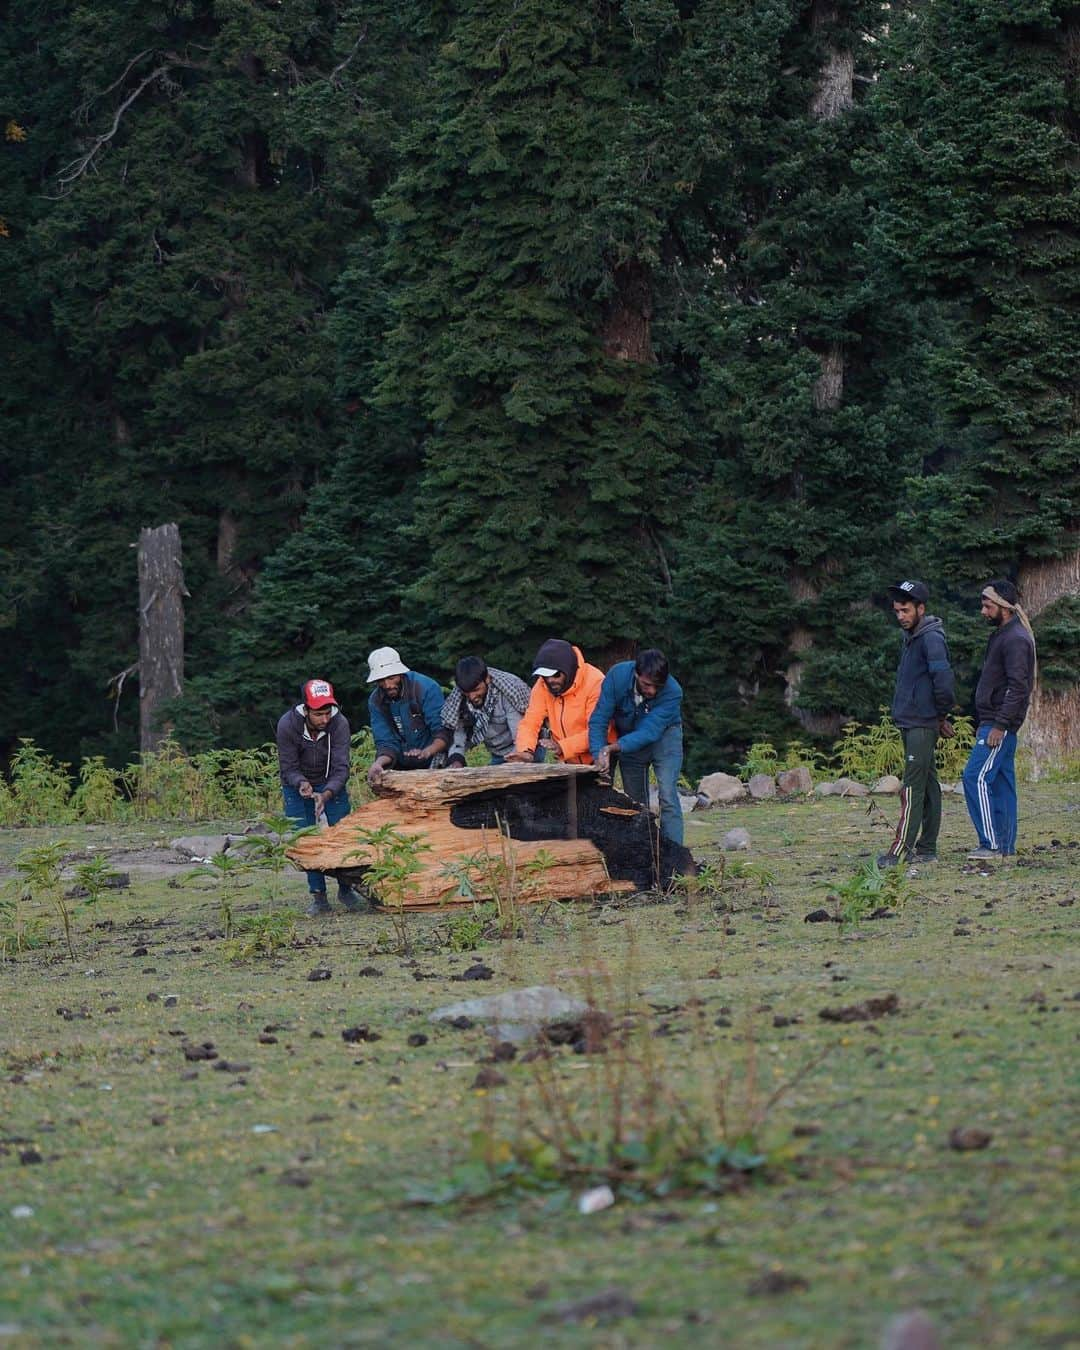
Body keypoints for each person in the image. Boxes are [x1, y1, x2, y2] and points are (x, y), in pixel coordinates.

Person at [877, 581, 956, 867]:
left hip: (922, 724)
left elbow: (944, 682)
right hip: (913, 721)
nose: (900, 616)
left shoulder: (931, 639)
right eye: (897, 611)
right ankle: (927, 849)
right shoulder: (911, 637)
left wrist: (940, 716)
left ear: (921, 609)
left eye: (906, 610)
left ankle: (899, 851)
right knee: (930, 784)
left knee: (911, 787)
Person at [961, 579, 1037, 861]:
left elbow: (1019, 687)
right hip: (996, 722)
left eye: (987, 605)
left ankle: (990, 844)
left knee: (975, 777)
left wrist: (1000, 725)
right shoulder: (1004, 635)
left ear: (1004, 607)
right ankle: (1005, 847)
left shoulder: (1015, 639)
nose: (983, 611)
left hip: (997, 724)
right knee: (1003, 783)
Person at [276, 679, 362, 916]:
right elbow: (288, 766)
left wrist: (327, 793)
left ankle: (347, 889)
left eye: (328, 712)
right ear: (306, 709)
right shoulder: (287, 725)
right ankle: (318, 895)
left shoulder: (339, 724)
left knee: (343, 833)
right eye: (318, 714)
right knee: (305, 838)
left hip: (331, 783)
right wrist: (301, 783)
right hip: (296, 785)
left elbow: (342, 767)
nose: (325, 719)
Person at [588, 648, 685, 845]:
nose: (653, 691)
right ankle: (644, 850)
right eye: (647, 685)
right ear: (636, 674)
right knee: (635, 802)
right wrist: (599, 751)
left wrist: (613, 748)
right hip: (628, 738)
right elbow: (599, 718)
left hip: (665, 735)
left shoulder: (673, 691)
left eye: (658, 686)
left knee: (667, 794)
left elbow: (650, 731)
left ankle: (674, 852)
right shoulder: (616, 677)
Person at [505, 638, 608, 765]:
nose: (550, 680)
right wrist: (526, 750)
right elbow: (530, 721)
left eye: (556, 675)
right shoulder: (542, 685)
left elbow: (598, 729)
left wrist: (563, 747)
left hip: (600, 756)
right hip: (568, 760)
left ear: (568, 669)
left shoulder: (595, 682)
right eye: (545, 676)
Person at [365, 646, 449, 787]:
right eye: (381, 680)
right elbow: (385, 742)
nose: (387, 685)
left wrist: (426, 752)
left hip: (435, 760)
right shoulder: (376, 700)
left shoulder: (426, 688)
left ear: (401, 673)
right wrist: (378, 763)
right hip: (400, 766)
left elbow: (443, 732)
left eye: (391, 678)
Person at [440, 657, 534, 766]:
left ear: (487, 679)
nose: (472, 697)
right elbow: (458, 733)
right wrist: (456, 759)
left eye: (476, 690)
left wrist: (516, 760)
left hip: (525, 750)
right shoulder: (460, 700)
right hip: (498, 754)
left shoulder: (508, 694)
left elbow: (520, 735)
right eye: (467, 692)